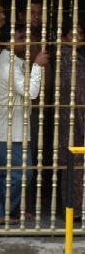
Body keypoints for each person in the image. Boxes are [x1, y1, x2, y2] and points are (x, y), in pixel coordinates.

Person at [0, 25, 46, 226]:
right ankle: (4, 210)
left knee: (3, 174)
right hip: (10, 130)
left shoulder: (13, 63)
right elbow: (31, 92)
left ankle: (0, 212)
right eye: (20, 37)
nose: (25, 41)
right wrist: (37, 66)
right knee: (22, 173)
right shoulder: (8, 66)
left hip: (10, 129)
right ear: (8, 43)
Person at [57, 20, 84, 218]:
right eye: (74, 34)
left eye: (81, 34)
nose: (79, 38)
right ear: (64, 38)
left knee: (74, 165)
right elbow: (75, 92)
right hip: (72, 119)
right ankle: (71, 211)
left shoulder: (76, 58)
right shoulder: (67, 59)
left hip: (74, 117)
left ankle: (73, 209)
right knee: (73, 165)